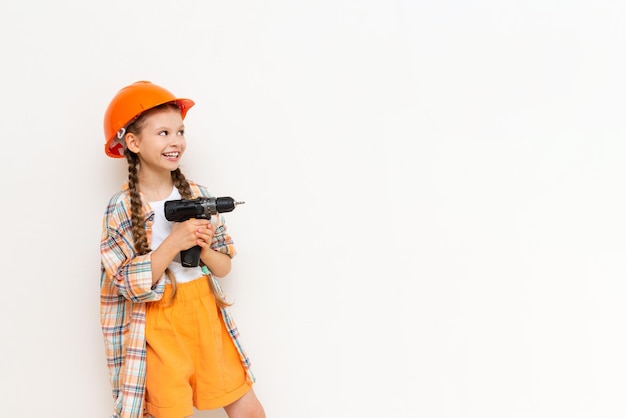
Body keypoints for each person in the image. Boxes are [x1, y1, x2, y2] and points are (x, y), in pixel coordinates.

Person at [99, 81, 266, 418]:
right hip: (159, 326)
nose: (176, 141)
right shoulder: (120, 209)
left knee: (248, 409)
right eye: (163, 133)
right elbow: (128, 284)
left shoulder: (198, 195)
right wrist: (174, 242)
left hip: (204, 314)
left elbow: (223, 267)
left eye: (180, 131)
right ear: (132, 142)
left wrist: (202, 248)